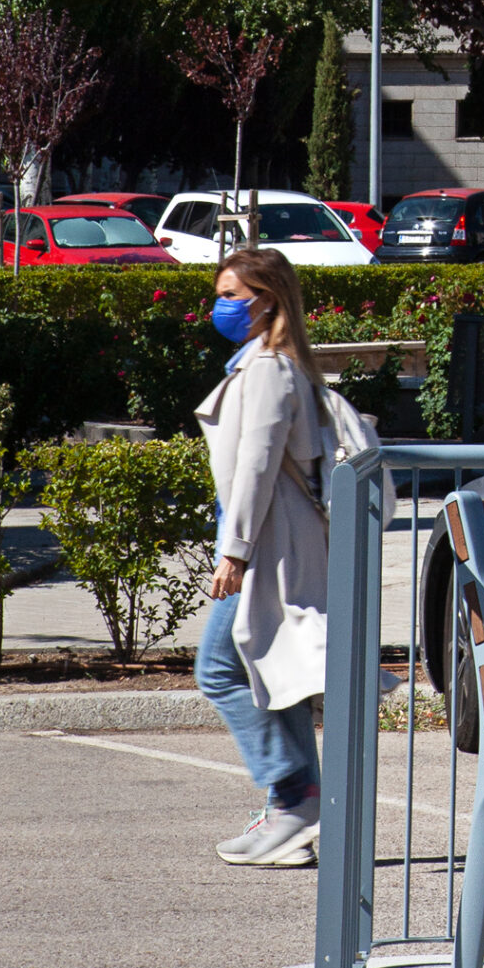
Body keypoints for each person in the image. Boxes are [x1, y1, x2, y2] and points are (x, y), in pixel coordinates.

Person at [194, 248, 330, 868]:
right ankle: (296, 811)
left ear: (267, 299)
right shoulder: (262, 362)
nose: (223, 306)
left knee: (219, 669)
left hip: (271, 547)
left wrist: (236, 553)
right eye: (220, 293)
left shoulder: (272, 368)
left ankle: (293, 795)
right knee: (278, 682)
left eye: (233, 294)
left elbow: (256, 465)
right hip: (270, 543)